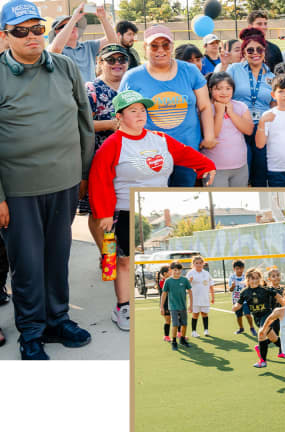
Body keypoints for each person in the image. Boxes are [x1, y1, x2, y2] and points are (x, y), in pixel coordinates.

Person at [0, 0, 95, 360]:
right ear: (5, 36)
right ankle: (32, 331)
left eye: (37, 28)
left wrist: (82, 175)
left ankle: (58, 320)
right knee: (26, 264)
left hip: (65, 183)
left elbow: (84, 123)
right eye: (20, 31)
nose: (31, 37)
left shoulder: (66, 67)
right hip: (19, 190)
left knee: (58, 257)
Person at [88, 90, 215, 332]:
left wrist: (206, 165)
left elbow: (185, 154)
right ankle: (123, 307)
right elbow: (99, 179)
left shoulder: (159, 138)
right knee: (124, 263)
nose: (140, 114)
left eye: (143, 110)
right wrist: (103, 213)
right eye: (133, 110)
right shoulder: (112, 145)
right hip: (125, 212)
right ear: (119, 116)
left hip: (153, 208)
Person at [120, 25, 216, 187]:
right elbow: (122, 117)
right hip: (149, 153)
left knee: (183, 200)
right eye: (154, 45)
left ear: (172, 47)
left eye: (165, 45)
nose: (160, 50)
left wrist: (209, 136)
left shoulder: (190, 71)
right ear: (145, 47)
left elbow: (205, 106)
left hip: (187, 149)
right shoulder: (132, 77)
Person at [80, 44, 129, 257]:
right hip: (99, 162)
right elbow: (80, 124)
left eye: (121, 59)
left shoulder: (132, 87)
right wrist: (111, 124)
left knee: (123, 213)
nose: (117, 64)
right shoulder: (91, 89)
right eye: (111, 60)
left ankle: (122, 257)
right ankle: (108, 258)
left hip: (128, 161)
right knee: (101, 212)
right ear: (100, 63)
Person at [228, 28, 275, 187]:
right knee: (243, 167)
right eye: (250, 50)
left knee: (261, 170)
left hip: (262, 127)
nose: (255, 53)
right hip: (238, 126)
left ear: (264, 51)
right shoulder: (234, 70)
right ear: (244, 52)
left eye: (259, 49)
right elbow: (224, 94)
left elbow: (273, 105)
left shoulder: (271, 76)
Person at [48, 3, 118, 82]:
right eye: (65, 25)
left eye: (75, 24)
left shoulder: (88, 46)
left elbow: (113, 42)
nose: (73, 26)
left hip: (90, 93)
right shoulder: (53, 49)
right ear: (56, 32)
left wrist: (103, 18)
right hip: (68, 94)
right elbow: (56, 48)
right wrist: (73, 19)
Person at [205, 72, 252, 187]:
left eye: (228, 88)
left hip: (240, 166)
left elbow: (248, 130)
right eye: (218, 89)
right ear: (211, 90)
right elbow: (212, 136)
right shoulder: (206, 109)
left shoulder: (240, 106)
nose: (224, 92)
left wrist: (230, 112)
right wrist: (220, 113)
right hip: (215, 168)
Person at [233, 268, 284, 367]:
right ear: (248, 279)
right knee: (274, 338)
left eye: (257, 278)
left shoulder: (265, 289)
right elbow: (238, 305)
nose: (255, 280)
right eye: (252, 278)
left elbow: (278, 296)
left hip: (267, 316)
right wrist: (235, 307)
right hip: (257, 318)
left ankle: (263, 361)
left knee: (261, 333)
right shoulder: (245, 292)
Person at [160, 261, 193, 351]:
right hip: (173, 307)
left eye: (179, 270)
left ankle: (182, 340)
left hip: (183, 306)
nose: (177, 272)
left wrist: (191, 305)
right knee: (175, 324)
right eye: (175, 270)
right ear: (171, 270)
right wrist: (161, 307)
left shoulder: (184, 280)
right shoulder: (168, 281)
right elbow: (164, 294)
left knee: (184, 324)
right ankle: (174, 341)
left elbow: (190, 292)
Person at [187, 256, 214, 337]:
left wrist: (212, 297)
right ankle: (193, 331)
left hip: (205, 298)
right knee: (195, 315)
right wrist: (189, 281)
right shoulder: (190, 273)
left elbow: (211, 285)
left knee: (205, 314)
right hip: (194, 299)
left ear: (203, 263)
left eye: (200, 263)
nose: (199, 265)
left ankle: (206, 330)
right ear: (193, 264)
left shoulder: (206, 273)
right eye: (197, 263)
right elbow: (186, 286)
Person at [229, 260, 255, 335]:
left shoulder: (246, 276)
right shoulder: (232, 277)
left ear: (243, 268)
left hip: (245, 300)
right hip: (236, 300)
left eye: (241, 268)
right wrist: (232, 287)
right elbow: (230, 290)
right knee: (238, 315)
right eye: (237, 268)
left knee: (247, 314)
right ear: (234, 269)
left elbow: (250, 286)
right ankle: (241, 328)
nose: (239, 270)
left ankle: (252, 327)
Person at [157, 266, 172, 341]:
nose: (172, 272)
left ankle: (179, 333)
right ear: (165, 273)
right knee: (168, 320)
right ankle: (166, 336)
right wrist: (162, 307)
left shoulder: (171, 280)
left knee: (178, 319)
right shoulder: (162, 281)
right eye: (170, 271)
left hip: (173, 303)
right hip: (166, 304)